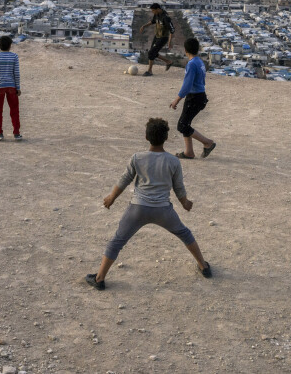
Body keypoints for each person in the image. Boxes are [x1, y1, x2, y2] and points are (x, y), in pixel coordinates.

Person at [86, 118, 211, 290]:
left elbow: (124, 180)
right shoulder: (173, 161)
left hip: (138, 209)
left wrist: (112, 197)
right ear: (166, 137)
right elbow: (178, 187)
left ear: (146, 137)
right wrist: (185, 202)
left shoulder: (137, 158)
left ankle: (99, 278)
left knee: (117, 241)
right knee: (184, 234)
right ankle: (204, 266)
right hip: (163, 211)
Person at [169, 37, 216, 159]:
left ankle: (207, 142)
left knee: (182, 125)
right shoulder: (199, 62)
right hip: (199, 95)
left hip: (194, 97)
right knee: (186, 123)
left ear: (185, 50)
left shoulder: (191, 64)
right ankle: (189, 152)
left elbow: (187, 85)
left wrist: (177, 100)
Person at [138, 3, 175, 76]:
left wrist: (169, 42)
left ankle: (150, 71)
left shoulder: (166, 18)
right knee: (153, 53)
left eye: (153, 10)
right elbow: (153, 21)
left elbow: (172, 30)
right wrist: (144, 26)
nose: (152, 12)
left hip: (163, 38)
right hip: (157, 36)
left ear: (158, 9)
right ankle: (168, 62)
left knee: (151, 53)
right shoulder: (157, 14)